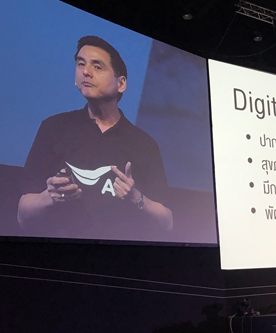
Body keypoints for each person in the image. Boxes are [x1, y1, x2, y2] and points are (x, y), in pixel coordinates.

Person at [17, 36, 173, 240]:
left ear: (121, 83)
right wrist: (49, 196)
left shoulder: (144, 144)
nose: (86, 72)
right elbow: (22, 216)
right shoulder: (53, 128)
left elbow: (167, 222)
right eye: (81, 64)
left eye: (97, 67)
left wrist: (135, 197)